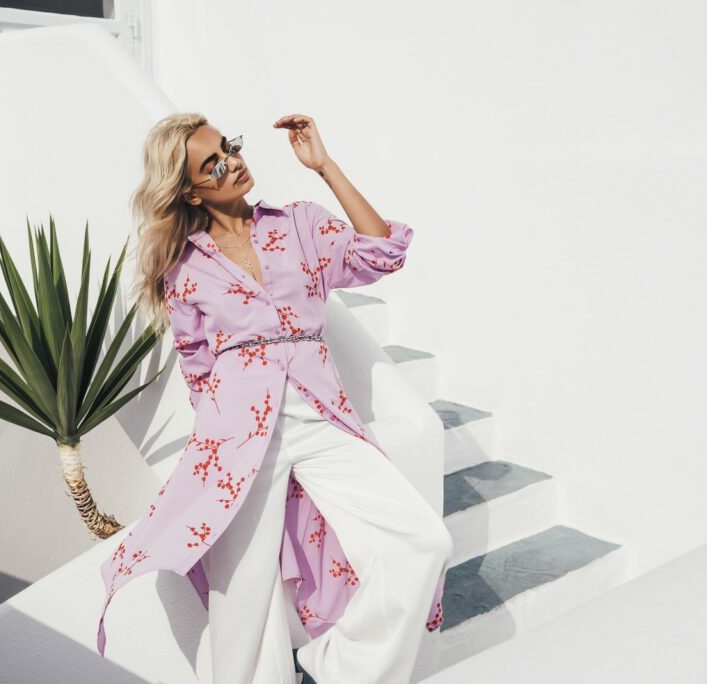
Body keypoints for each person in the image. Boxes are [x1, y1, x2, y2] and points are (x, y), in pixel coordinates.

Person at [98, 111, 454, 684]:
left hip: (320, 418)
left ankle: (340, 669)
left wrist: (324, 166)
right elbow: (197, 366)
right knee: (244, 600)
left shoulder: (300, 224)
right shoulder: (184, 267)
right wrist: (225, 445)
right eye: (213, 165)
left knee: (422, 541)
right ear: (190, 191)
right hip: (236, 440)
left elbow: (382, 252)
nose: (232, 163)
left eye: (229, 148)